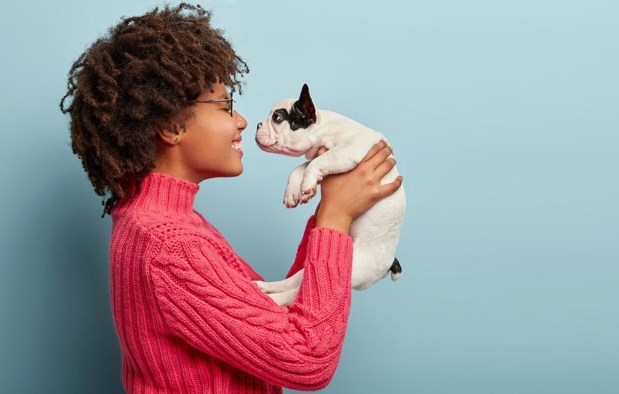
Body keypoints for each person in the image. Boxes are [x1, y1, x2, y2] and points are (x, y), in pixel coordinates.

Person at [59, 3, 402, 394]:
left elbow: (274, 315)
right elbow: (307, 359)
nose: (241, 121)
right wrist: (335, 220)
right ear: (171, 125)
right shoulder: (171, 246)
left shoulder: (164, 223)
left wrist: (331, 209)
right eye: (226, 106)